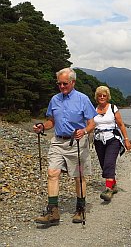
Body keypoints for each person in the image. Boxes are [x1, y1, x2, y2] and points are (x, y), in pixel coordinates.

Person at [33, 67, 97, 225]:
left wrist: (84, 131)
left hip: (77, 141)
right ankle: (53, 211)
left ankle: (80, 209)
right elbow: (52, 121)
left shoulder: (83, 99)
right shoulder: (55, 99)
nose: (62, 87)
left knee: (78, 176)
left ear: (73, 82)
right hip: (58, 141)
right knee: (52, 173)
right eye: (59, 84)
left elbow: (92, 123)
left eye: (65, 83)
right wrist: (42, 126)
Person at [93, 86, 131, 202]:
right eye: (100, 95)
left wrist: (126, 139)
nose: (102, 97)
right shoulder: (93, 109)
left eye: (104, 95)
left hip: (112, 139)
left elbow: (121, 125)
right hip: (98, 139)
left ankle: (108, 190)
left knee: (109, 162)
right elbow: (89, 124)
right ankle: (113, 184)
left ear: (108, 97)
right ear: (97, 97)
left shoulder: (113, 108)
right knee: (103, 164)